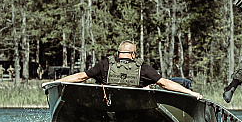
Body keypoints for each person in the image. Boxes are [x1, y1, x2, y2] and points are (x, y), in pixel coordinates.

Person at [43, 40, 203, 100]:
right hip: (135, 106)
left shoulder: (105, 64)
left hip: (108, 105)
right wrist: (192, 93)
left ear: (118, 53)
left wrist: (54, 82)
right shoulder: (143, 68)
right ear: (133, 55)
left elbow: (80, 77)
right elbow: (166, 84)